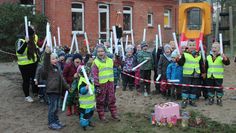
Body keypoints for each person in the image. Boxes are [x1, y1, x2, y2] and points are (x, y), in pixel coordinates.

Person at [41, 46, 69, 130]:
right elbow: (45, 63)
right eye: (53, 59)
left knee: (56, 108)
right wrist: (47, 53)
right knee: (52, 108)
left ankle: (56, 121)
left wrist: (67, 87)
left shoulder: (57, 68)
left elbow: (62, 79)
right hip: (51, 90)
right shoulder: (48, 68)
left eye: (56, 58)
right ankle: (51, 123)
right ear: (49, 60)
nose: (55, 60)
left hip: (58, 91)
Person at [91, 45, 119, 122]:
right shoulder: (95, 62)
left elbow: (117, 66)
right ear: (96, 53)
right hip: (101, 84)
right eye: (99, 51)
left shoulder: (110, 60)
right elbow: (94, 74)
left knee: (111, 98)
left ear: (105, 52)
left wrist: (118, 58)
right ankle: (101, 114)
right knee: (101, 99)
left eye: (102, 51)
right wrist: (96, 85)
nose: (101, 53)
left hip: (110, 82)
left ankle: (114, 113)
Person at [177, 40, 205, 108]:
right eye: (190, 45)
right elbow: (181, 63)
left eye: (193, 45)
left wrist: (203, 72)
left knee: (194, 88)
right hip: (187, 74)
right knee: (186, 88)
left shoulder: (199, 54)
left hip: (196, 74)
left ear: (196, 46)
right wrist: (179, 59)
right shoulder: (184, 54)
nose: (192, 46)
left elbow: (201, 64)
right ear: (187, 46)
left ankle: (192, 100)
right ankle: (184, 100)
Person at [16, 26, 40, 102]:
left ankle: (36, 92)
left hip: (33, 63)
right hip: (24, 65)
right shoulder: (20, 41)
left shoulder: (32, 41)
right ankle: (27, 96)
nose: (33, 36)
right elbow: (19, 51)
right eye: (32, 35)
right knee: (26, 80)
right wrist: (26, 42)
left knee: (34, 79)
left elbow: (36, 51)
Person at [205, 42, 230, 106]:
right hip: (210, 76)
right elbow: (206, 67)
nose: (214, 49)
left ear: (219, 49)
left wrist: (225, 58)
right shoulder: (208, 57)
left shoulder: (221, 57)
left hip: (218, 76)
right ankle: (211, 98)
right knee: (210, 88)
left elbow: (227, 63)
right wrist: (205, 73)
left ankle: (219, 99)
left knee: (219, 88)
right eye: (212, 47)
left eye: (215, 47)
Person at [77, 66, 96, 131]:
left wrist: (96, 90)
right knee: (85, 115)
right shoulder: (82, 81)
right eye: (87, 73)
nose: (88, 74)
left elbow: (92, 88)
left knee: (90, 114)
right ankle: (84, 125)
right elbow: (81, 91)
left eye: (89, 73)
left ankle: (88, 122)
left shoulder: (89, 80)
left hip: (91, 103)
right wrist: (85, 89)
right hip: (84, 104)